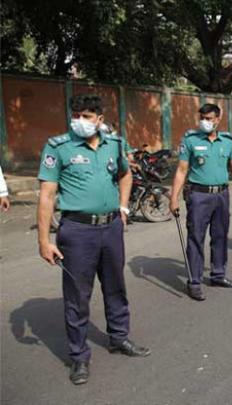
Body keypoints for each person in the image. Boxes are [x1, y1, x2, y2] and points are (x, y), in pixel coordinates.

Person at [36, 94, 150, 385]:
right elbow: (47, 195)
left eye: (87, 116)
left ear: (100, 120)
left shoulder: (115, 144)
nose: (80, 121)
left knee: (115, 287)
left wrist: (124, 207)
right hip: (77, 231)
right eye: (76, 115)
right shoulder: (58, 147)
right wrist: (43, 240)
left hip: (111, 227)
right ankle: (79, 357)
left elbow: (125, 176)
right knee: (78, 296)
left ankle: (119, 338)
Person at [169, 103, 232, 301]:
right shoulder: (190, 140)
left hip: (222, 195)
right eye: (202, 118)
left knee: (220, 236)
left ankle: (218, 274)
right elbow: (182, 170)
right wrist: (173, 197)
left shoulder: (227, 141)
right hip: (199, 196)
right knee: (196, 237)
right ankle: (195, 281)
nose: (205, 122)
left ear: (217, 120)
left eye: (209, 119)